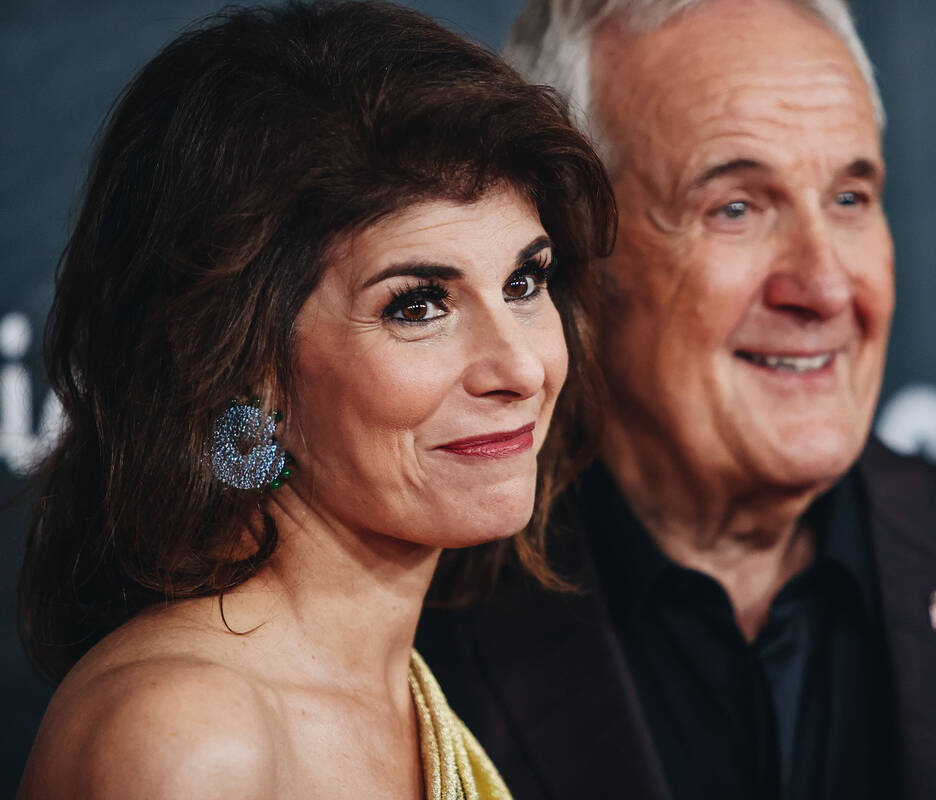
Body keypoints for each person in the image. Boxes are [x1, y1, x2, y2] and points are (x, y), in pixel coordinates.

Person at [416, 0, 936, 798]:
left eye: (851, 199)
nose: (825, 286)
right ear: (573, 252)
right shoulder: (416, 633)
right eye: (736, 208)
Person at [16, 2, 614, 798]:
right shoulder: (189, 739)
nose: (521, 368)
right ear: (239, 362)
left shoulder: (395, 689)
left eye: (523, 282)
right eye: (418, 305)